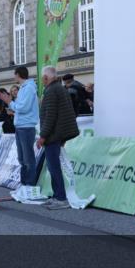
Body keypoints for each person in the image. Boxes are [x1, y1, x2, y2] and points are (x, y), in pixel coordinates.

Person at [36, 67, 80, 209]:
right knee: (53, 166)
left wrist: (42, 136)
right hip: (58, 134)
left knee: (54, 167)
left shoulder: (51, 91)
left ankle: (61, 198)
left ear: (46, 78)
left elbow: (50, 117)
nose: (42, 80)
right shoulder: (59, 88)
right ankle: (57, 196)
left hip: (53, 135)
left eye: (42, 78)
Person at [8, 66, 39, 202]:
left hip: (26, 127)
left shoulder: (29, 88)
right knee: (22, 158)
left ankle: (29, 185)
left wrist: (10, 103)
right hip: (21, 126)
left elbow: (23, 108)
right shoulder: (23, 88)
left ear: (18, 75)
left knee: (28, 158)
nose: (14, 77)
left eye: (15, 75)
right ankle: (24, 184)